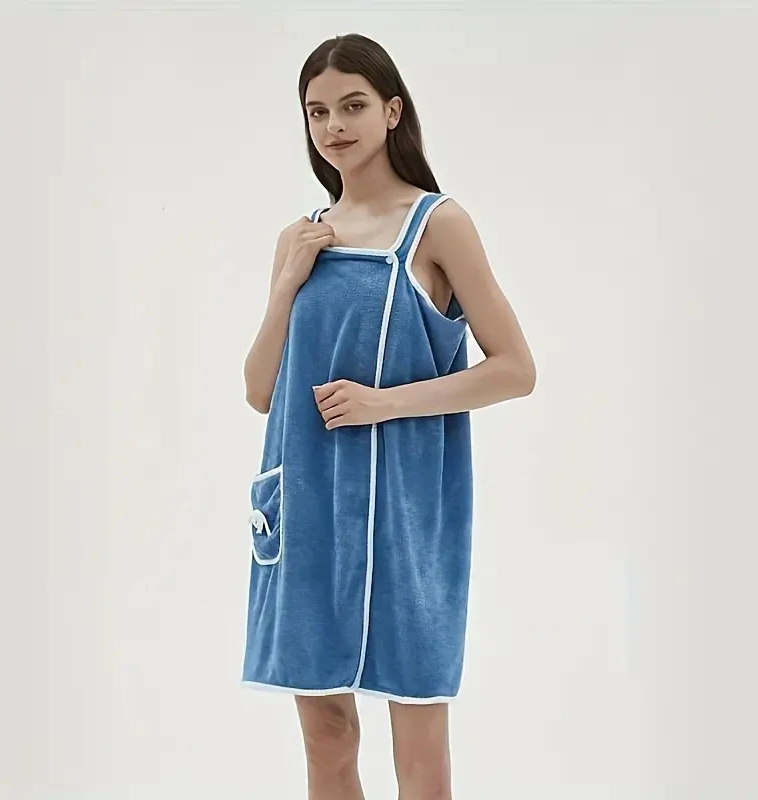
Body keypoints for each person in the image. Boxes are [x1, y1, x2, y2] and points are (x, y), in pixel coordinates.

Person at [241, 32, 536, 800]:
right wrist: (287, 283)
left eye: (352, 106)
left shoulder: (438, 225)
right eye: (317, 112)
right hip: (307, 504)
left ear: (392, 111)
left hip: (406, 510)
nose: (334, 125)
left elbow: (515, 369)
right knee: (326, 737)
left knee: (421, 748)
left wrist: (383, 404)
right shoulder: (299, 237)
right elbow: (260, 390)